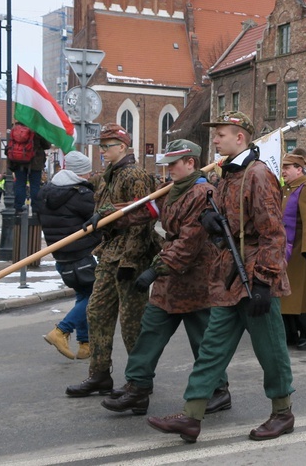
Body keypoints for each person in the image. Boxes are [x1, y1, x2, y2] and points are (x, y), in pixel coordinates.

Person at [147, 111, 294, 443]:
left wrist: (262, 281)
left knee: (270, 349)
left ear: (240, 137)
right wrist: (213, 223)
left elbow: (273, 234)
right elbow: (226, 221)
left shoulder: (258, 175)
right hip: (229, 276)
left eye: (221, 134)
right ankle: (192, 415)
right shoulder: (227, 175)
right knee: (212, 348)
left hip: (256, 275)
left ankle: (283, 412)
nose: (214, 139)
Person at [101, 140, 230, 416]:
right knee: (150, 333)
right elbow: (144, 210)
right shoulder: (172, 190)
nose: (168, 169)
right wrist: (109, 216)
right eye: (168, 163)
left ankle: (218, 391)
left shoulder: (203, 193)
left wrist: (154, 269)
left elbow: (189, 242)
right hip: (169, 281)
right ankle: (137, 388)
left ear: (191, 163)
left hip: (196, 278)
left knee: (203, 340)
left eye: (174, 164)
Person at [66, 123, 160, 397]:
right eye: (101, 146)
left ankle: (139, 380)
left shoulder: (135, 175)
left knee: (132, 322)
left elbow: (143, 221)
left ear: (123, 146)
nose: (103, 150)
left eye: (108, 146)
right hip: (109, 254)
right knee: (97, 312)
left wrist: (131, 261)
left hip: (130, 256)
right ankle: (99, 374)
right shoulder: (110, 175)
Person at [37, 151, 100, 360]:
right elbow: (99, 217)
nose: (90, 177)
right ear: (81, 173)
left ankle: (85, 344)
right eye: (88, 173)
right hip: (81, 254)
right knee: (94, 296)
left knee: (83, 295)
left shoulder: (46, 191)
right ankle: (61, 331)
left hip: (60, 255)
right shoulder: (80, 194)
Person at [279, 148, 306, 349]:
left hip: (300, 251)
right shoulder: (286, 189)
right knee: (287, 295)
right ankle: (289, 332)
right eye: (283, 167)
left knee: (303, 294)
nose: (283, 171)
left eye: (287, 167)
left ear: (299, 169)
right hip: (285, 250)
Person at [8, 125, 51, 214]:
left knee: (20, 185)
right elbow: (47, 145)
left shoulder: (17, 128)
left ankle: (18, 208)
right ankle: (35, 209)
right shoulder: (38, 128)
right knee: (35, 186)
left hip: (18, 161)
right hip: (35, 163)